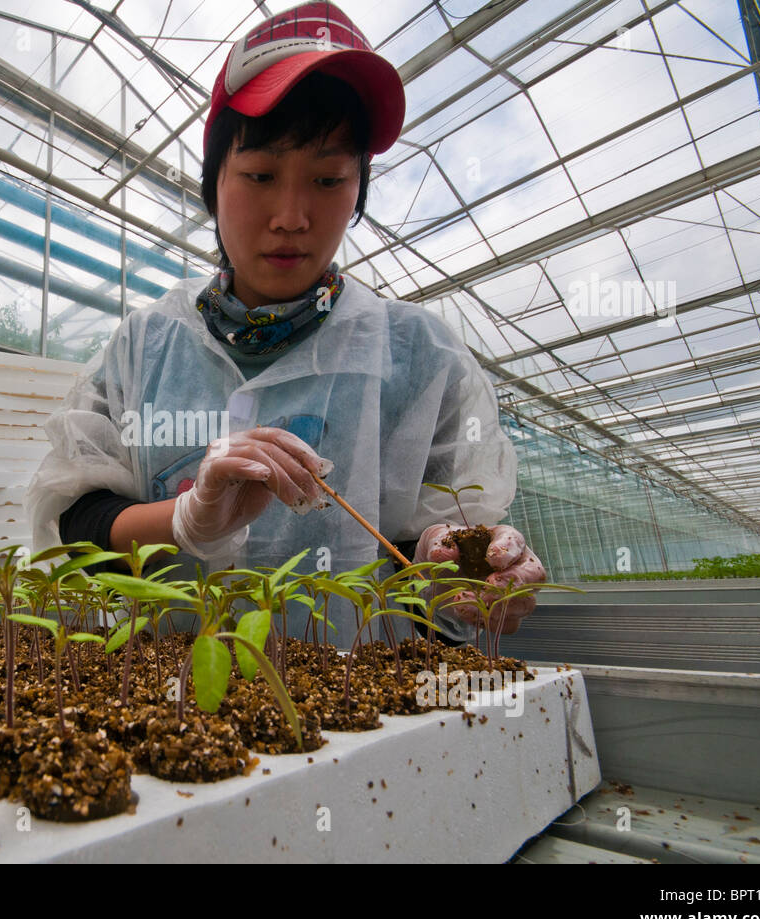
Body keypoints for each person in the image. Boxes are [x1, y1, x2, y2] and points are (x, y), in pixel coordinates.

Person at [27, 1, 545, 647]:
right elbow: (77, 519)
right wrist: (188, 518)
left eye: (328, 178)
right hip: (171, 702)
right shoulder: (146, 343)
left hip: (361, 717)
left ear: (359, 190)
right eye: (260, 175)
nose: (292, 216)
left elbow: (428, 558)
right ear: (213, 182)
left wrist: (464, 568)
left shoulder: (419, 352)